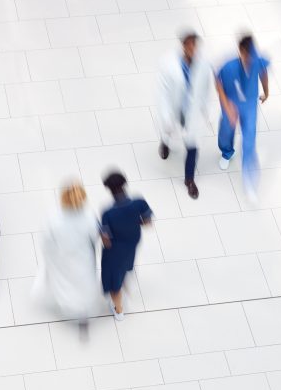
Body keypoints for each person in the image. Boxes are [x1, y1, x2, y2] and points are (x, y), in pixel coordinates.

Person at [37, 182, 101, 335]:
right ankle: (83, 313)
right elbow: (95, 236)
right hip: (83, 256)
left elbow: (47, 239)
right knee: (84, 283)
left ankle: (67, 306)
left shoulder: (54, 217)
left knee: (64, 283)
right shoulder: (90, 217)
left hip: (61, 257)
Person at [156, 32, 211, 200]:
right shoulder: (168, 64)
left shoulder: (203, 66)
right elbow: (162, 93)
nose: (192, 49)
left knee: (192, 145)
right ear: (183, 46)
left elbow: (206, 90)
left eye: (195, 46)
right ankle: (165, 143)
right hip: (174, 108)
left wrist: (206, 111)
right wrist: (165, 116)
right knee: (169, 130)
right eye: (189, 45)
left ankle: (189, 180)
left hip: (191, 111)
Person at [216, 35, 270, 200]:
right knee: (226, 131)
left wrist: (266, 92)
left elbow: (263, 73)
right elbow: (218, 85)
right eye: (247, 55)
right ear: (241, 51)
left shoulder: (257, 61)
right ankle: (227, 152)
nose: (249, 59)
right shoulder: (229, 67)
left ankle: (249, 183)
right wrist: (227, 107)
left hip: (249, 107)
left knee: (249, 141)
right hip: (231, 105)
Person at [100, 172, 152, 321]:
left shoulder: (108, 213)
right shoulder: (139, 202)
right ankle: (126, 277)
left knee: (113, 281)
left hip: (115, 251)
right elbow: (148, 222)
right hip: (133, 243)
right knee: (127, 265)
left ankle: (119, 310)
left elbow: (106, 241)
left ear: (108, 189)